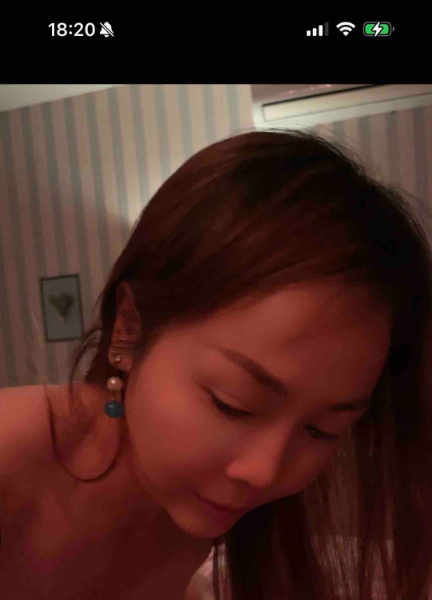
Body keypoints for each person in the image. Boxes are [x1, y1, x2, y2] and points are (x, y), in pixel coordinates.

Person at [1, 128, 432, 600]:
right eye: (233, 403)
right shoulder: (10, 458)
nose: (265, 472)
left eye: (322, 430)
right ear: (128, 327)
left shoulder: (191, 519)